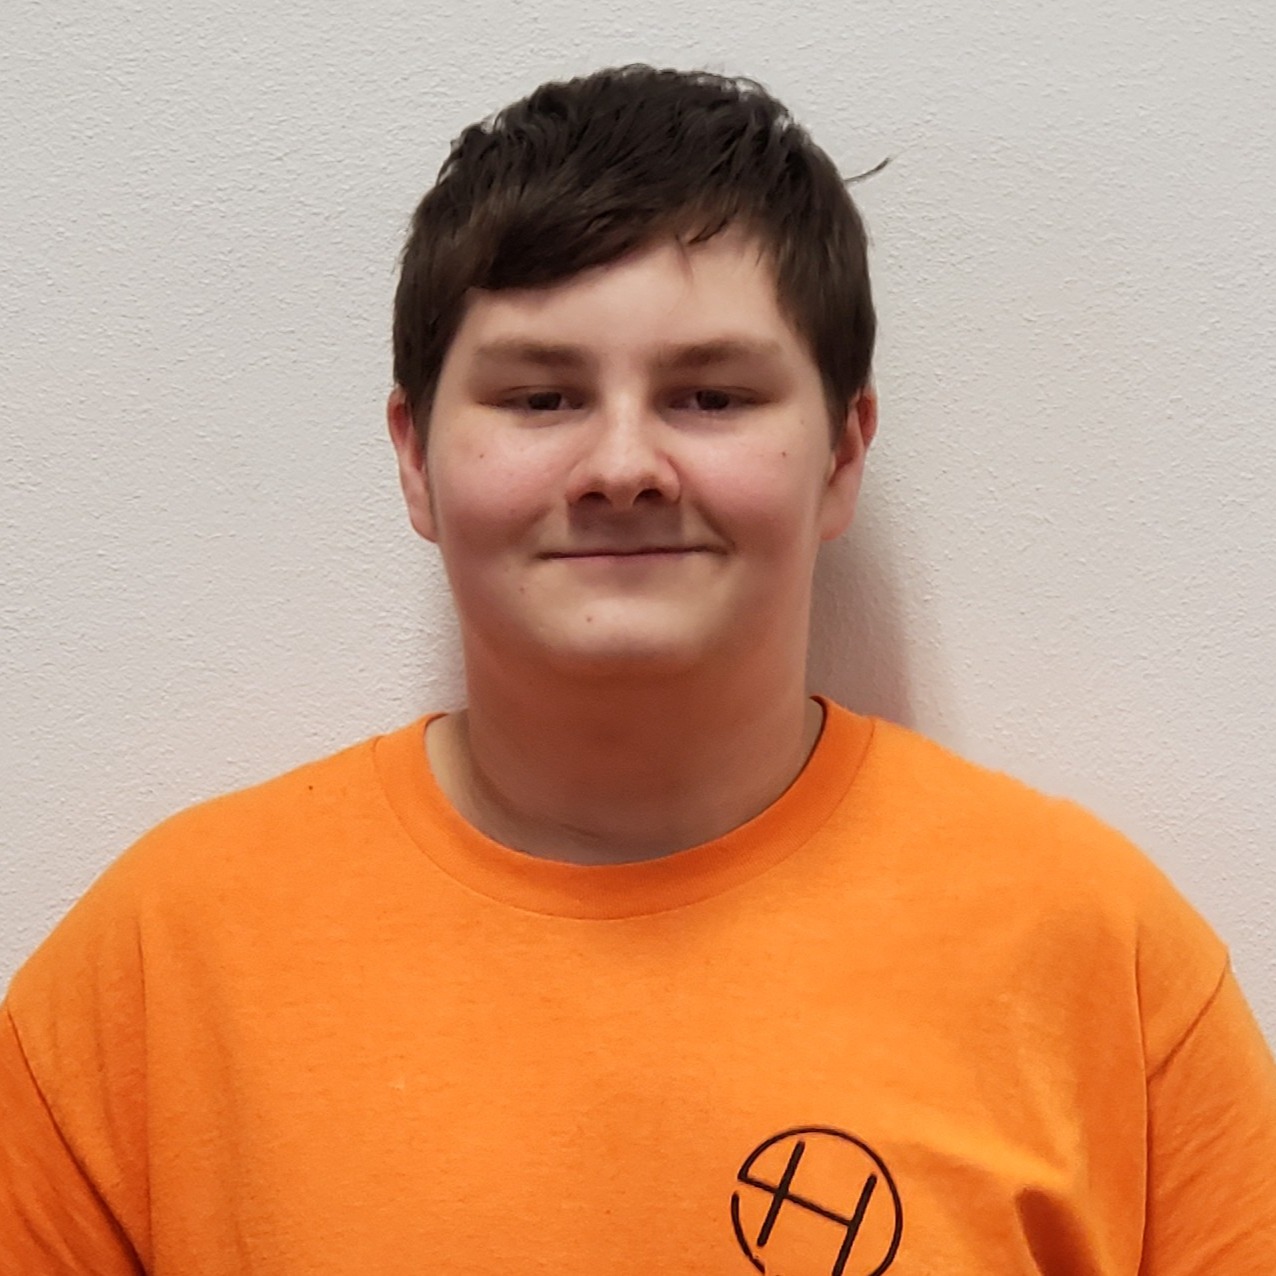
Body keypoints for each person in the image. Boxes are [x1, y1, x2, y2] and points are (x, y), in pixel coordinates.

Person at [2, 63, 1274, 1276]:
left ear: (841, 453)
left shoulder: (1098, 961)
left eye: (711, 396)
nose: (623, 465)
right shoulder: (156, 974)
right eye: (540, 397)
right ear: (413, 457)